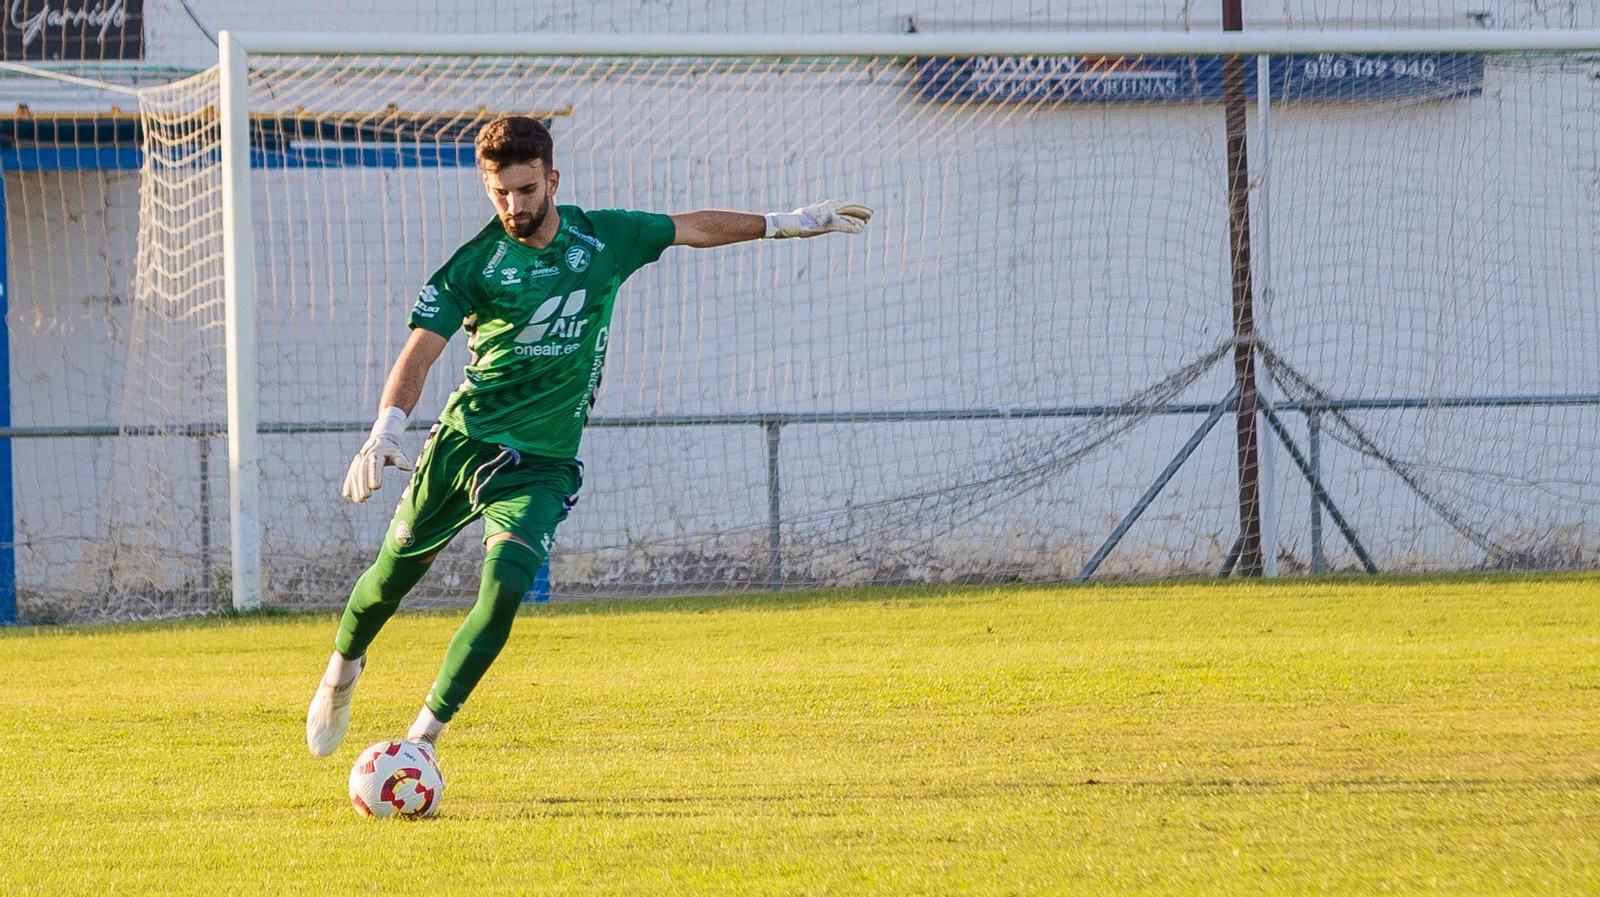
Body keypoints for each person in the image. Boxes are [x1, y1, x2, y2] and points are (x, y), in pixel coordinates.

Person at [306, 115, 871, 757]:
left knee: (504, 592)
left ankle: (420, 744)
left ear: (551, 179)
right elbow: (419, 352)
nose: (513, 206)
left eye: (524, 190)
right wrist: (384, 429)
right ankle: (341, 673)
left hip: (543, 463)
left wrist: (786, 222)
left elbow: (692, 228)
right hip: (465, 443)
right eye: (499, 193)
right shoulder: (474, 265)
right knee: (389, 579)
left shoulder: (605, 237)